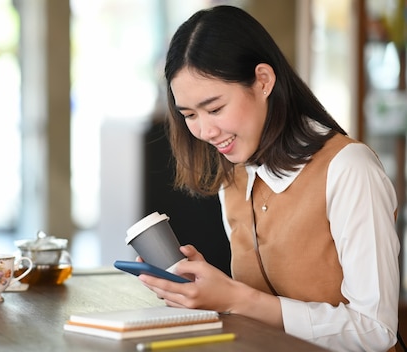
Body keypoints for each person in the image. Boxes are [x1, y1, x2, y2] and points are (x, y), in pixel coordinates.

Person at [136, 5, 401, 351]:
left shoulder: (349, 168)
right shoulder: (235, 175)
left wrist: (237, 298)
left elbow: (376, 331)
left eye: (215, 108)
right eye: (189, 114)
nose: (205, 130)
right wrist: (210, 291)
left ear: (263, 81)